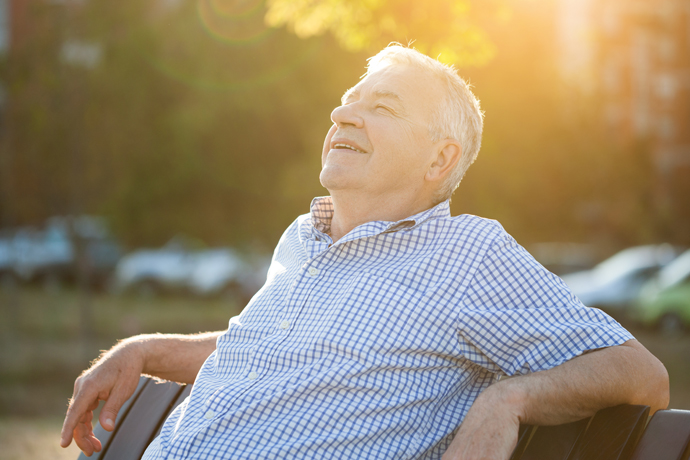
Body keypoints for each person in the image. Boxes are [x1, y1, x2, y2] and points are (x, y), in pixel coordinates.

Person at [61, 45, 669, 460]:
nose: (342, 112)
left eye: (381, 107)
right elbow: (274, 348)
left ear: (440, 159)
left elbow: (643, 375)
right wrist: (144, 350)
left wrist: (509, 399)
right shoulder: (303, 239)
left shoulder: (467, 254)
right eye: (348, 99)